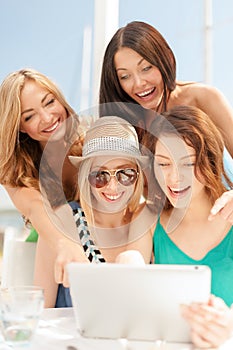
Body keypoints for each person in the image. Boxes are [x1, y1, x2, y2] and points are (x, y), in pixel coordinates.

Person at [99, 20, 233, 222]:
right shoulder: (128, 129)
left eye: (146, 68)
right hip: (180, 231)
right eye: (125, 76)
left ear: (166, 59)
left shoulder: (202, 98)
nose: (138, 83)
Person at [34, 116, 155, 307]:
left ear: (138, 175)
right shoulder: (61, 225)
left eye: (125, 173)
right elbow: (40, 311)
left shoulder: (147, 223)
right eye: (100, 175)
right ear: (85, 177)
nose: (113, 187)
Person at [143, 105, 233, 348]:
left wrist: (229, 324)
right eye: (163, 164)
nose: (174, 178)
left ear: (210, 160)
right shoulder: (151, 223)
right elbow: (132, 276)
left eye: (188, 164)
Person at [0, 68, 91, 286]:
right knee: (65, 210)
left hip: (98, 244)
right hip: (50, 246)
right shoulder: (15, 168)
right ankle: (43, 315)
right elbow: (36, 207)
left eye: (49, 102)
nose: (47, 118)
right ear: (20, 127)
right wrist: (64, 244)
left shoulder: (93, 139)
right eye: (30, 116)